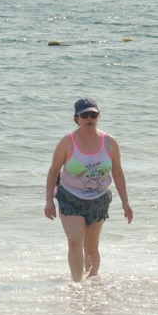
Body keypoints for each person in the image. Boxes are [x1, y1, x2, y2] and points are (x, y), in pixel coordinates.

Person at [44, 97, 133, 282]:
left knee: (92, 247)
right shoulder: (67, 142)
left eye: (94, 114)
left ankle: (92, 285)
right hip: (70, 197)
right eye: (85, 115)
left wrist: (126, 203)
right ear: (76, 118)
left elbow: (117, 173)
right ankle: (78, 286)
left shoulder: (109, 142)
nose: (89, 118)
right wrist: (48, 200)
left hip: (99, 199)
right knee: (75, 242)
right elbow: (53, 171)